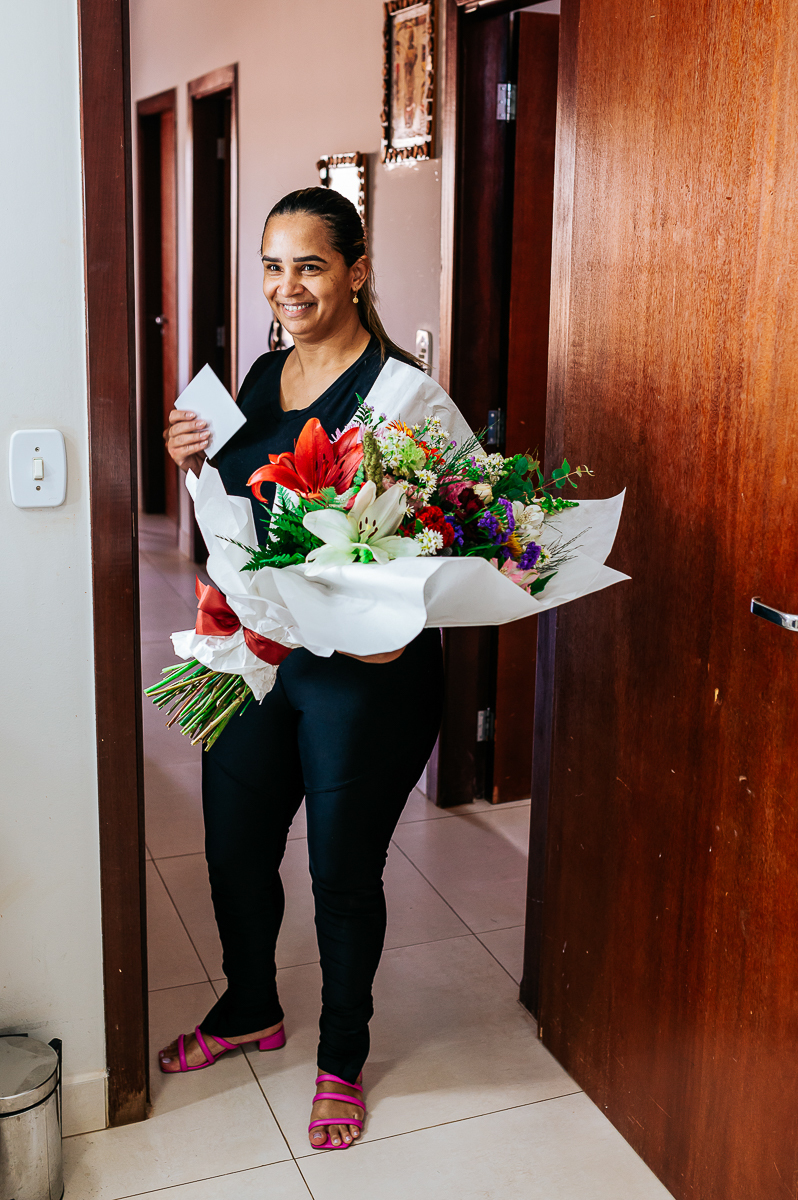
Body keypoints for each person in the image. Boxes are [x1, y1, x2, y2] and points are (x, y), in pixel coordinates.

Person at [161, 187, 444, 1151]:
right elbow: (236, 505)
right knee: (234, 845)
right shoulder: (258, 375)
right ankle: (250, 1005)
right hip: (256, 652)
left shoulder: (403, 397)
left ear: (357, 272)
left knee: (341, 872)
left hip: (364, 675)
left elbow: (452, 534)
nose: (287, 286)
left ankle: (342, 1058)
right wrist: (189, 456)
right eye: (273, 266)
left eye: (310, 266)